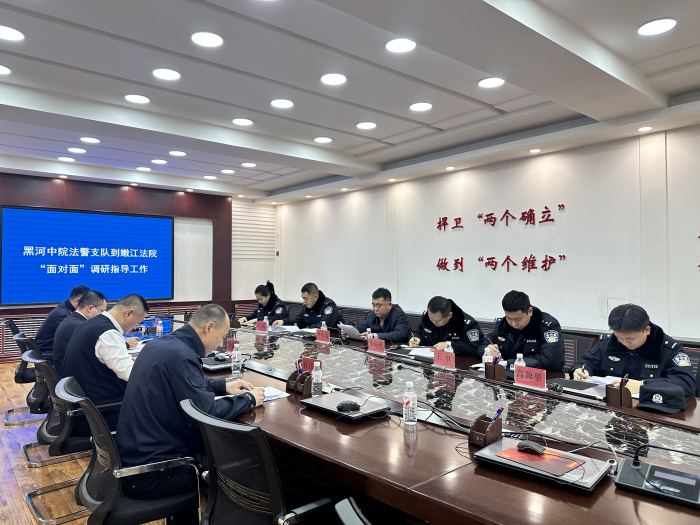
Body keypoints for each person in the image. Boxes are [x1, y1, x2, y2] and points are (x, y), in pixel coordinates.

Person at [116, 304, 264, 523]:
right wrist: (248, 399)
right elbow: (206, 413)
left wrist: (224, 386)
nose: (220, 344)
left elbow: (186, 383)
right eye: (222, 337)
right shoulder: (182, 355)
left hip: (133, 459)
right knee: (233, 473)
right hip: (154, 473)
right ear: (209, 328)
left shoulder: (161, 345)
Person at [61, 294, 149, 430]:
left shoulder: (90, 323)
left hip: (83, 408)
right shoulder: (108, 333)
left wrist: (132, 360)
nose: (135, 327)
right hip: (98, 415)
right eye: (138, 322)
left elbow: (101, 359)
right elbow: (131, 375)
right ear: (128, 313)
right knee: (154, 410)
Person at [569, 304, 695, 396]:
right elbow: (588, 362)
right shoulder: (608, 343)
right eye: (619, 338)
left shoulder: (669, 349)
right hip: (610, 404)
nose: (624, 343)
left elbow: (686, 384)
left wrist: (643, 385)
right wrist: (579, 370)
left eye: (630, 339)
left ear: (647, 330)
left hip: (651, 409)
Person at [478, 290, 564, 371]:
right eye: (509, 318)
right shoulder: (503, 324)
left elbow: (550, 361)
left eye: (518, 319)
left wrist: (509, 363)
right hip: (507, 374)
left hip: (543, 376)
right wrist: (487, 350)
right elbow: (481, 347)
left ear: (530, 311)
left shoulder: (547, 326)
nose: (514, 324)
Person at [52, 290, 108, 375]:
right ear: (90, 308)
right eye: (102, 311)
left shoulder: (71, 319)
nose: (103, 315)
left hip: (63, 369)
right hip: (71, 375)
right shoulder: (81, 326)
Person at [409, 296, 484, 355]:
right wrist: (416, 338)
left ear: (449, 315)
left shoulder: (467, 324)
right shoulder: (427, 318)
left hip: (457, 364)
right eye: (431, 318)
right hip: (429, 360)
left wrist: (449, 345)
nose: (433, 322)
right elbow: (418, 333)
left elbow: (475, 348)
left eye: (437, 321)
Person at [34, 285, 89, 361]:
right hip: (47, 352)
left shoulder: (64, 308)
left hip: (46, 349)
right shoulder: (63, 314)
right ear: (77, 301)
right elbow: (69, 340)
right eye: (87, 305)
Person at [272, 282, 344, 328]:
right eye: (303, 298)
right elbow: (299, 321)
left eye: (306, 299)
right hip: (314, 340)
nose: (304, 301)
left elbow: (324, 325)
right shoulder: (306, 306)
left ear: (315, 297)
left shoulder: (329, 305)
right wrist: (283, 322)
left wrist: (308, 329)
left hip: (336, 341)